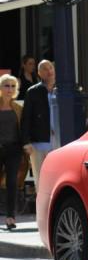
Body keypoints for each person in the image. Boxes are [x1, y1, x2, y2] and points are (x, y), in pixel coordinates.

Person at [21, 60, 59, 194]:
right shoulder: (33, 92)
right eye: (44, 69)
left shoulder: (62, 90)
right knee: (41, 180)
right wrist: (26, 142)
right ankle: (42, 212)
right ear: (39, 73)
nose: (49, 71)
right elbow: (26, 118)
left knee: (59, 178)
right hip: (39, 143)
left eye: (50, 67)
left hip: (60, 142)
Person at [0, 75, 26, 230]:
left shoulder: (18, 108)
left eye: (12, 86)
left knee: (11, 183)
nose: (9, 89)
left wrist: (26, 146)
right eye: (6, 86)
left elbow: (23, 130)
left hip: (14, 149)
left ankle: (11, 217)